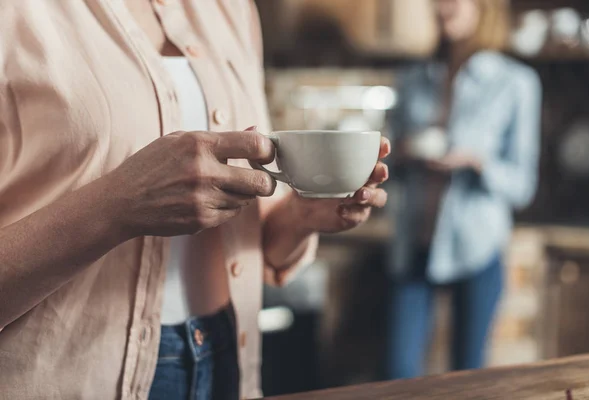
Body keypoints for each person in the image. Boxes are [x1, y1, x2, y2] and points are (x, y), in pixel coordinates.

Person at [0, 1, 389, 399]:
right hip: (63, 377)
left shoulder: (230, 9)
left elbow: (252, 238)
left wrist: (300, 216)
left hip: (225, 363)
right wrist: (115, 206)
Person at [386, 0, 541, 379]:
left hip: (477, 246)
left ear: (483, 7)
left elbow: (522, 186)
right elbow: (383, 165)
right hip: (414, 245)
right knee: (396, 372)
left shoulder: (516, 82)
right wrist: (402, 154)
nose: (444, 6)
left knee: (468, 375)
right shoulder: (411, 78)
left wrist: (475, 162)